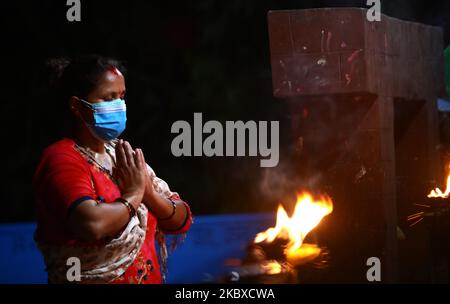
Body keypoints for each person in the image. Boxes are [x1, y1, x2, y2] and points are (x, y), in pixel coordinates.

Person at [33, 55, 192, 284]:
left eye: (122, 96)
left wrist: (148, 193)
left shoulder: (120, 154)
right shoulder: (61, 158)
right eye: (109, 98)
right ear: (77, 106)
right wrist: (135, 195)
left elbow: (181, 219)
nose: (118, 105)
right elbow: (91, 224)